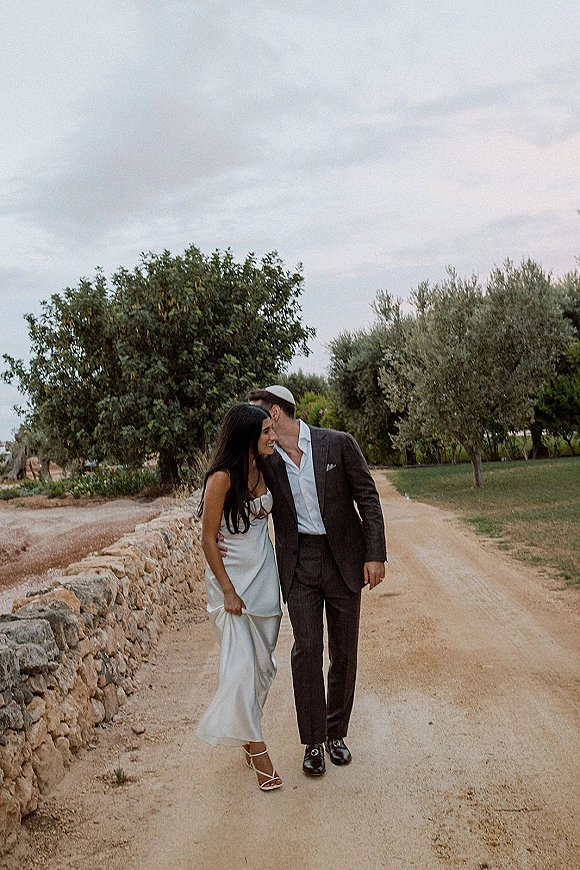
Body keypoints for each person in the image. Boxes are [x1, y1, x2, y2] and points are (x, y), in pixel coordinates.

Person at [248, 385, 387, 777]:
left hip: (344, 557)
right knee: (306, 649)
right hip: (299, 564)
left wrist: (375, 552)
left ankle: (336, 733)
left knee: (343, 651)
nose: (256, 430)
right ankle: (312, 742)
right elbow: (236, 488)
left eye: (258, 419)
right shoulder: (267, 460)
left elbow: (368, 497)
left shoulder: (337, 444)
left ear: (275, 414)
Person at [195, 403, 283, 791]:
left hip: (265, 580)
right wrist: (228, 590)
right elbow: (208, 539)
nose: (272, 437)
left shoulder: (265, 467)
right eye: (265, 431)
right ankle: (261, 755)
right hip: (232, 588)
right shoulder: (221, 478)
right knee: (241, 668)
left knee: (263, 668)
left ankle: (247, 737)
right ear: (247, 436)